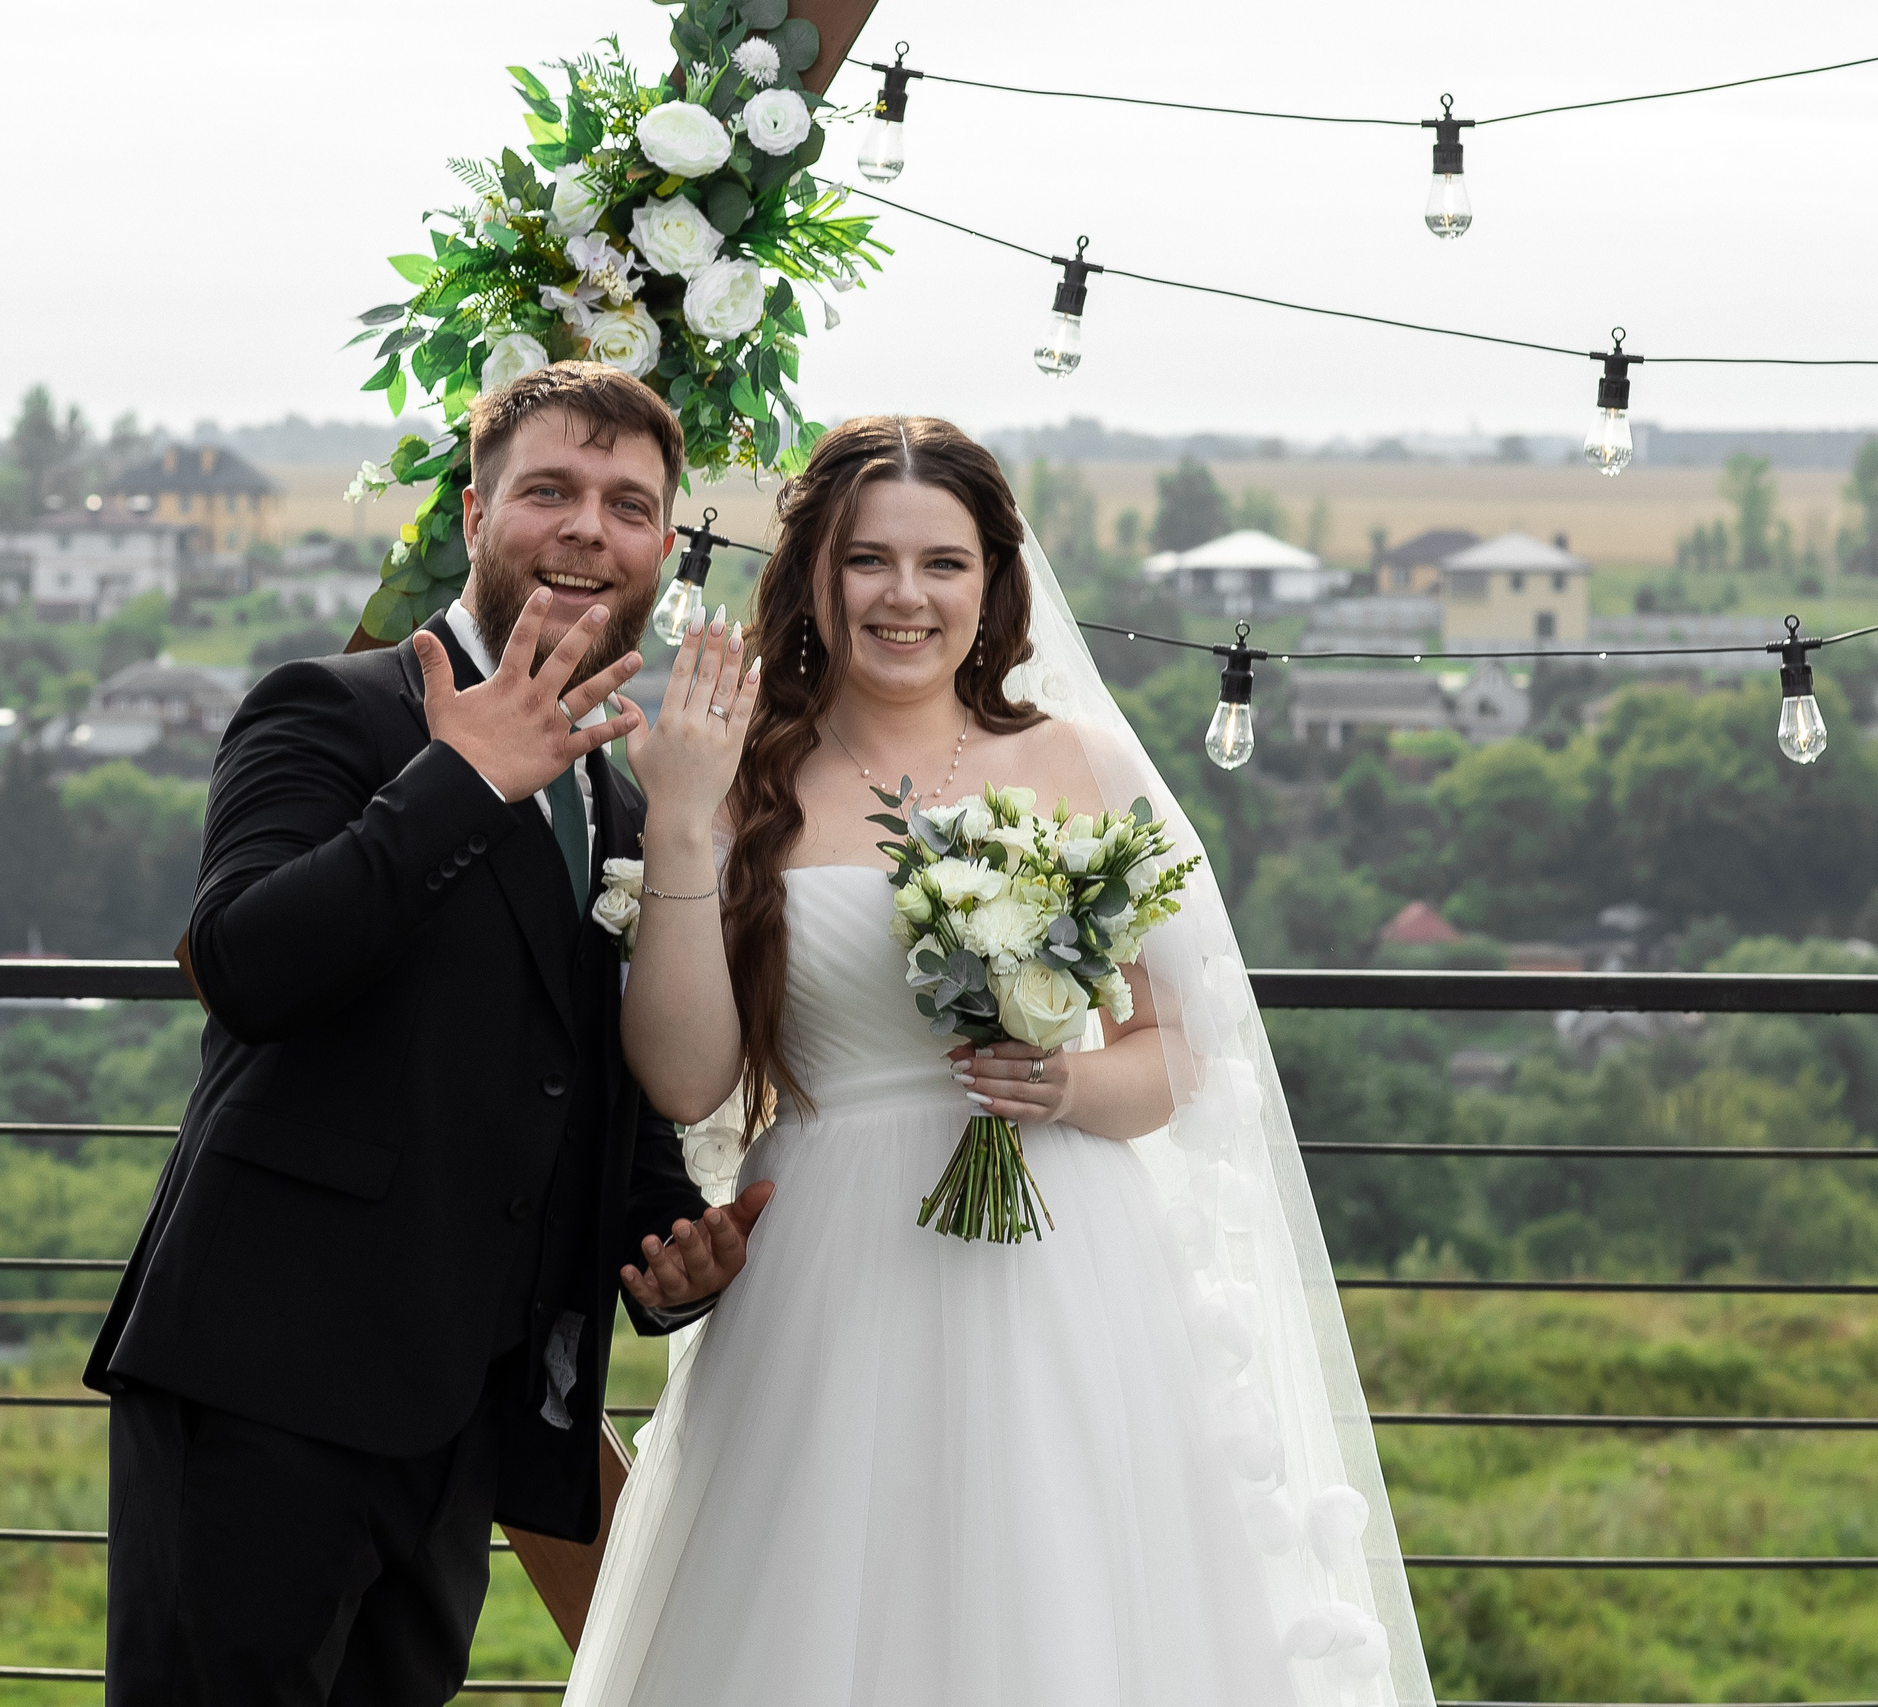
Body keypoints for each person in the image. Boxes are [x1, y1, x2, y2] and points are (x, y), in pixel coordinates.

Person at [569, 416, 1435, 1707]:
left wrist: (1070, 1084)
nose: (904, 596)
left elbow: (1179, 1052)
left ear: (996, 583)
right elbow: (688, 1082)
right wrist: (685, 827)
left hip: (1064, 1260)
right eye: (868, 561)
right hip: (824, 1260)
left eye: (943, 564)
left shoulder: (1073, 764)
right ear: (817, 575)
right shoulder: (744, 772)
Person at [84, 361, 772, 1707]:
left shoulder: (627, 809)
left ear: (663, 547)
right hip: (263, 1386)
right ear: (473, 514)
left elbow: (566, 1083)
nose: (590, 530)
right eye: (550, 493)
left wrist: (661, 1247)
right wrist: (456, 781)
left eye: (631, 506)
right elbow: (245, 965)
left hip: (461, 1419)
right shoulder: (331, 709)